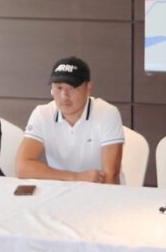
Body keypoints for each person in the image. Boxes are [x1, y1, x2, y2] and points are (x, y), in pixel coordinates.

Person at [16, 56, 124, 184]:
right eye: (59, 88)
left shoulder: (107, 113)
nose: (64, 96)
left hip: (99, 189)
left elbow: (111, 176)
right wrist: (77, 177)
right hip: (59, 189)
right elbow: (22, 167)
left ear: (88, 87)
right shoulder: (42, 113)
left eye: (72, 88)